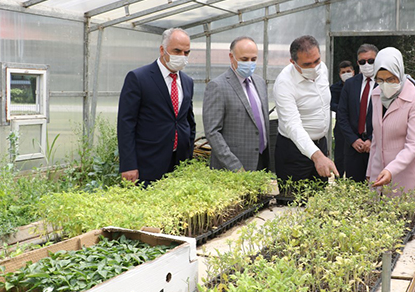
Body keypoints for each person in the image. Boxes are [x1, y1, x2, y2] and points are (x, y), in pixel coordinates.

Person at [118, 28, 195, 185]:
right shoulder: (138, 78)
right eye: (177, 51)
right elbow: (126, 124)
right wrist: (128, 165)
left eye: (186, 52)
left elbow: (188, 120)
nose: (182, 56)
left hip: (179, 163)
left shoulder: (187, 81)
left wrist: (188, 154)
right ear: (162, 50)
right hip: (148, 163)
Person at [366, 47, 415, 209]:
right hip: (383, 171)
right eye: (380, 80)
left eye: (391, 79)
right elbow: (377, 137)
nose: (385, 85)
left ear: (400, 72)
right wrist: (371, 172)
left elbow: (413, 144)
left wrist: (390, 169)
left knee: (411, 222)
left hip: (411, 171)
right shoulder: (376, 94)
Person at [273, 35, 338, 184]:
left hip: (320, 145)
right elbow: (292, 125)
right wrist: (317, 156)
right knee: (293, 202)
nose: (314, 67)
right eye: (307, 64)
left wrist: (320, 152)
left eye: (317, 61)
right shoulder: (284, 83)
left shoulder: (323, 69)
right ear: (293, 62)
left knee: (317, 201)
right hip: (293, 150)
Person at [203, 36, 269, 171]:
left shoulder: (260, 83)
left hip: (262, 161)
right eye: (244, 59)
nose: (250, 63)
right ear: (231, 57)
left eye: (254, 59)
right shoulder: (217, 86)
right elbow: (212, 132)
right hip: (234, 166)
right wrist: (234, 166)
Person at [337, 44, 378, 182]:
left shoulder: (384, 84)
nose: (367, 64)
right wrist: (353, 140)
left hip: (377, 147)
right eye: (362, 62)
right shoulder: (350, 84)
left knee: (378, 190)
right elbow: (342, 115)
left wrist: (372, 139)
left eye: (371, 61)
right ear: (357, 63)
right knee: (353, 190)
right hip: (354, 148)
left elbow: (387, 116)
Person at [330, 60, 354, 177]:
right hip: (340, 126)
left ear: (353, 72)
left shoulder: (358, 86)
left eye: (348, 71)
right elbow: (331, 104)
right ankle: (338, 177)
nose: (346, 74)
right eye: (343, 72)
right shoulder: (335, 88)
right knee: (339, 154)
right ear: (339, 74)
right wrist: (343, 108)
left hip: (355, 127)